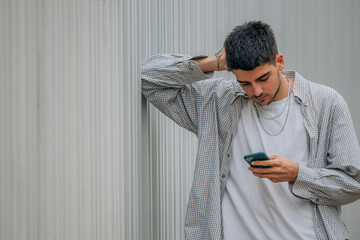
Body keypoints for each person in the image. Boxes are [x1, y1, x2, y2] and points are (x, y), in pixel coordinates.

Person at [141, 21, 360, 239]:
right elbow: (148, 78)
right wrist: (215, 62)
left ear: (280, 62)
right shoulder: (218, 101)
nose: (256, 91)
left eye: (263, 78)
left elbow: (353, 184)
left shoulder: (327, 104)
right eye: (244, 82)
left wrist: (296, 174)